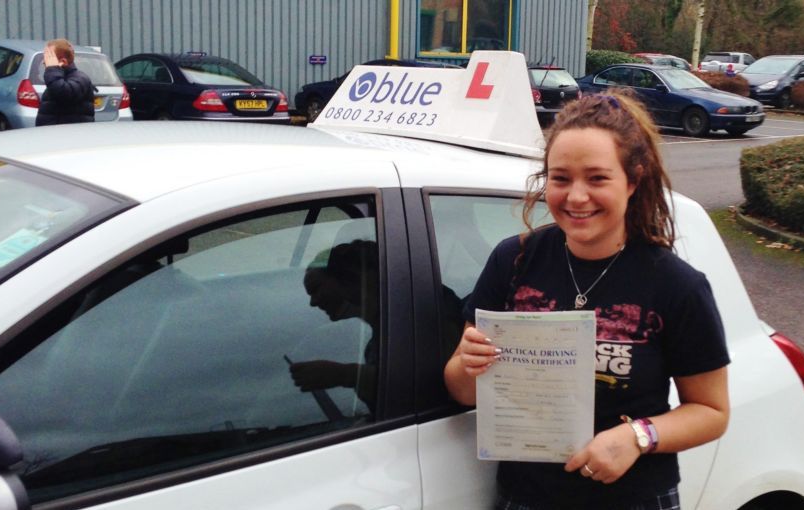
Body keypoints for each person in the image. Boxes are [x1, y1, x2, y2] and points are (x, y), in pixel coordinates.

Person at [444, 91, 730, 510]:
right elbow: (463, 391)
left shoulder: (676, 286)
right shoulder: (514, 261)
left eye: (597, 178)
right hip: (525, 496)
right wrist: (469, 365)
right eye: (560, 178)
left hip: (633, 498)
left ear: (632, 181)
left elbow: (711, 411)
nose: (576, 197)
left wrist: (638, 436)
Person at [289, 240, 379, 413]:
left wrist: (344, 375)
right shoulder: (385, 330)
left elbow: (416, 383)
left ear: (350, 277)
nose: (313, 303)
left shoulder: (418, 317)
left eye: (316, 289)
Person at [35, 39, 95, 127]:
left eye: (49, 57)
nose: (44, 61)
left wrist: (52, 69)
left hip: (67, 136)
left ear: (63, 62)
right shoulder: (58, 79)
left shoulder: (80, 79)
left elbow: (63, 93)